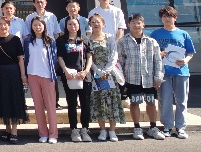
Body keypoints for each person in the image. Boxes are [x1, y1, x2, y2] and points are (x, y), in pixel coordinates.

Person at [150, 6, 195, 139]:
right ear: (161, 19)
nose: (167, 19)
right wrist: (159, 54)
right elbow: (149, 52)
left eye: (170, 16)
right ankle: (167, 126)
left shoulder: (183, 34)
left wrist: (185, 60)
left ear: (175, 18)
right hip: (163, 72)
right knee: (165, 100)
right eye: (164, 16)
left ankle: (181, 127)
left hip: (181, 72)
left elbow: (190, 52)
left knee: (182, 100)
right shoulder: (155, 34)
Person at [118, 13, 165, 141]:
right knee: (135, 102)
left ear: (143, 25)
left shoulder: (151, 41)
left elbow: (158, 61)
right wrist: (121, 78)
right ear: (129, 25)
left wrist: (158, 77)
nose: (136, 25)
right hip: (132, 78)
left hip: (149, 79)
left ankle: (153, 127)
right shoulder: (123, 41)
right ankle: (137, 128)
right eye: (133, 22)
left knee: (151, 102)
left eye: (138, 23)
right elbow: (120, 61)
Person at [88, 13, 125, 141]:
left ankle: (112, 131)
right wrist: (98, 71)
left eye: (98, 22)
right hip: (95, 75)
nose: (95, 24)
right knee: (99, 102)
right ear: (90, 24)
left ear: (103, 24)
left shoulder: (109, 38)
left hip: (109, 75)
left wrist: (106, 71)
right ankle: (102, 130)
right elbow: (88, 58)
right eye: (93, 22)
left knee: (111, 102)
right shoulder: (87, 39)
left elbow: (114, 55)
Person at [0, 16, 27, 143]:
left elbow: (20, 58)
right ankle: (7, 129)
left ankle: (14, 131)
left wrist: (23, 75)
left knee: (13, 100)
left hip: (13, 73)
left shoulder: (15, 39)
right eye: (0, 24)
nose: (3, 26)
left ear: (9, 26)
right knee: (3, 100)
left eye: (5, 24)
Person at [56, 16, 93, 142]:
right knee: (71, 103)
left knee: (85, 103)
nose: (72, 26)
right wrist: (66, 71)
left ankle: (85, 129)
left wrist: (86, 71)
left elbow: (89, 57)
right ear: (66, 26)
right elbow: (60, 57)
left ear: (79, 25)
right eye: (70, 24)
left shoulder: (85, 39)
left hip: (84, 76)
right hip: (69, 75)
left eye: (75, 24)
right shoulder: (61, 40)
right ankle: (74, 130)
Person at [24, 17, 59, 143]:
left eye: (40, 25)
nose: (37, 27)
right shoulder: (28, 41)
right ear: (31, 27)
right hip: (32, 75)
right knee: (38, 106)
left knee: (50, 106)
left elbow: (54, 58)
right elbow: (25, 57)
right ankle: (43, 133)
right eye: (35, 25)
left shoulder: (50, 40)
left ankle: (53, 134)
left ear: (44, 26)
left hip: (47, 75)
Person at [24, 0, 62, 109]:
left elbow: (56, 33)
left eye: (42, 2)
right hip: (36, 48)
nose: (40, 4)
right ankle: (40, 103)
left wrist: (55, 49)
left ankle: (54, 102)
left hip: (49, 49)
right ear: (34, 4)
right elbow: (28, 34)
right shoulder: (30, 17)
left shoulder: (51, 16)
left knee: (51, 75)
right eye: (37, 2)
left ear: (45, 3)